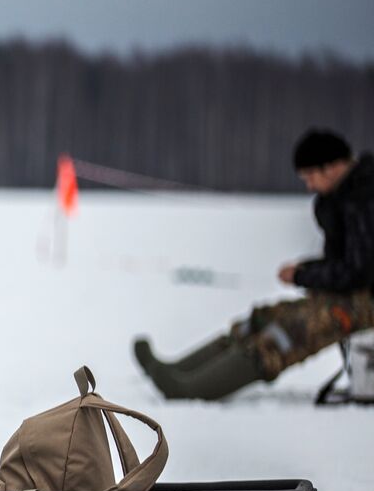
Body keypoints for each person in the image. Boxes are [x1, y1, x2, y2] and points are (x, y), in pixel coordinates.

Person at [135, 129, 374, 400]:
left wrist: (303, 274)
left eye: (310, 177)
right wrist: (306, 270)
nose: (309, 186)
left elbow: (359, 272)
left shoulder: (364, 198)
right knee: (263, 318)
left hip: (365, 302)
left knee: (289, 331)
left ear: (331, 167)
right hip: (354, 296)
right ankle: (181, 370)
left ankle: (192, 389)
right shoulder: (345, 196)